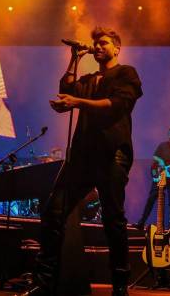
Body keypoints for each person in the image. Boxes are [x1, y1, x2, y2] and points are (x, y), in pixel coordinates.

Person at [22, 27, 143, 296]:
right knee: (54, 211)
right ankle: (44, 281)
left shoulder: (126, 74)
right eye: (95, 44)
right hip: (82, 156)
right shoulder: (88, 79)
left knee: (113, 219)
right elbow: (65, 87)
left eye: (104, 43)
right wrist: (75, 58)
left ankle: (120, 284)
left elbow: (117, 104)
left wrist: (77, 102)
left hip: (113, 155)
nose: (97, 46)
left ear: (116, 48)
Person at [133, 127, 170, 232]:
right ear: (169, 136)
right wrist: (161, 162)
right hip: (160, 176)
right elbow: (155, 157)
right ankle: (141, 223)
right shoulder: (162, 146)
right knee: (151, 199)